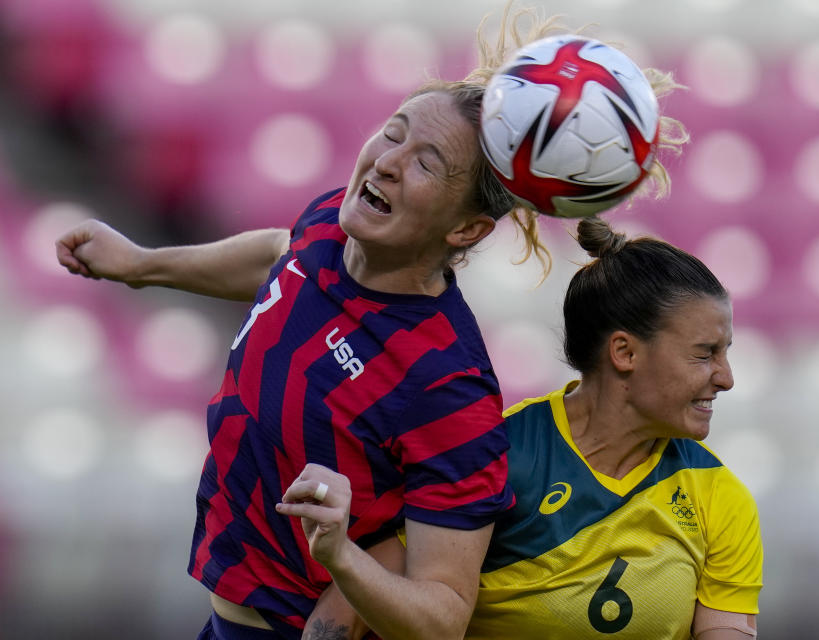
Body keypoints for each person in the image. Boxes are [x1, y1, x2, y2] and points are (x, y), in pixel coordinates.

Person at [54, 5, 688, 640]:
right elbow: (282, 253)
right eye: (394, 132)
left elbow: (442, 615)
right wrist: (142, 264)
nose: (388, 161)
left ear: (465, 229)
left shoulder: (445, 387)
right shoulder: (333, 222)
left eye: (427, 163)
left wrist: (341, 557)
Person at [463, 217, 763, 639]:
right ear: (624, 352)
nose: (726, 378)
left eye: (725, 353)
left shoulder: (721, 500)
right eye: (704, 355)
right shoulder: (500, 456)